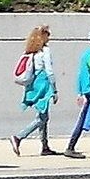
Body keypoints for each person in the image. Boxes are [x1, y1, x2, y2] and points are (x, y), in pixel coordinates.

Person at [10, 25, 60, 156]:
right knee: (42, 118)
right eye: (48, 34)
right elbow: (49, 70)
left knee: (42, 115)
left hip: (33, 84)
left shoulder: (31, 52)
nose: (49, 37)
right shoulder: (45, 51)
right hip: (43, 84)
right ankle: (19, 137)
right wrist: (54, 90)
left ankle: (45, 146)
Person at [64, 30, 90, 157]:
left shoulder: (85, 53)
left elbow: (80, 74)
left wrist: (79, 92)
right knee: (86, 117)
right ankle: (70, 147)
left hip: (87, 89)